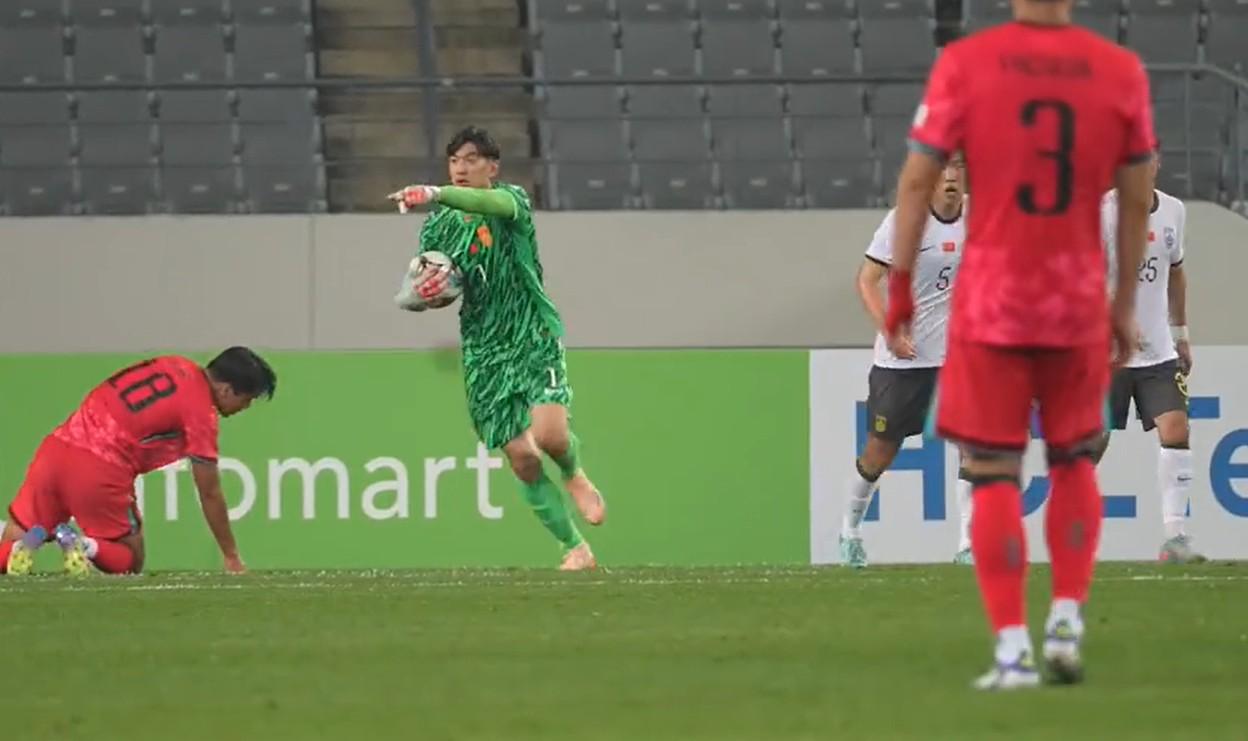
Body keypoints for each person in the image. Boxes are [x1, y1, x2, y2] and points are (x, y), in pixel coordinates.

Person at [886, 0, 1155, 689]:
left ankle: (1013, 651)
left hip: (994, 304)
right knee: (1074, 460)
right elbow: (1136, 196)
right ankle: (1066, 616)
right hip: (1075, 299)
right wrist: (1123, 302)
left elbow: (917, 180)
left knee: (992, 470)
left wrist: (900, 287)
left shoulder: (966, 64)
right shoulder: (1119, 71)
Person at [389, 126, 605, 571]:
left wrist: (434, 192)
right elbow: (428, 283)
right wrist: (420, 296)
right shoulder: (439, 225)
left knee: (550, 437)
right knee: (522, 458)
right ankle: (575, 548)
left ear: (493, 167)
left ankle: (573, 474)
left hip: (532, 332)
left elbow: (486, 204)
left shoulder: (510, 201)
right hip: (483, 349)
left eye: (471, 160)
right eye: (454, 161)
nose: (461, 168)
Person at [2, 347, 276, 577]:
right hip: (100, 466)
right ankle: (81, 545)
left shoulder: (175, 364)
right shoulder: (201, 412)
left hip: (57, 448)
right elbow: (209, 492)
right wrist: (231, 556)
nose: (245, 407)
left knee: (14, 538)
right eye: (247, 400)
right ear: (226, 390)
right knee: (130, 558)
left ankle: (23, 546)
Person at [840, 152, 975, 568]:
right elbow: (866, 280)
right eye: (943, 168)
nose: (950, 176)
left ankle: (968, 544)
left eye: (958, 167)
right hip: (903, 363)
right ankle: (849, 531)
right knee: (880, 452)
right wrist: (891, 331)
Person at [1098, 148, 1204, 563]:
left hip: (1158, 352)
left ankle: (1176, 537)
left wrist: (1181, 334)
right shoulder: (1102, 212)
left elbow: (1175, 274)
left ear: (1157, 164)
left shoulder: (1174, 211)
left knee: (1176, 428)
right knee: (1090, 444)